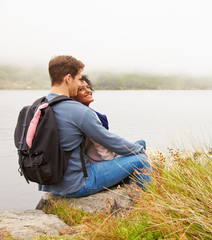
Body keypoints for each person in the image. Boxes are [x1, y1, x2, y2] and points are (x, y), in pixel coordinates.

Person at [38, 55, 150, 198]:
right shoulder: (78, 111)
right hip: (78, 184)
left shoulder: (40, 106)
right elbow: (108, 140)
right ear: (68, 79)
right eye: (78, 79)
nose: (80, 83)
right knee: (140, 160)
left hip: (50, 183)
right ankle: (149, 204)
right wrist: (139, 150)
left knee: (135, 150)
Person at [72, 75, 145, 162]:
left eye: (88, 87)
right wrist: (115, 162)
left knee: (141, 143)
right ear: (73, 95)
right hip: (98, 162)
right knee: (141, 157)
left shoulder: (90, 113)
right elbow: (103, 149)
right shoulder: (86, 116)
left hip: (99, 155)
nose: (88, 91)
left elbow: (109, 141)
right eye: (81, 89)